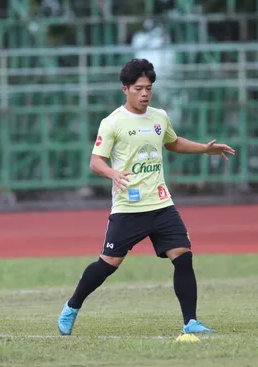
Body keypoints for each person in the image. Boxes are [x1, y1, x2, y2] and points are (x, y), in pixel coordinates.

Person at [57, 58, 235, 335]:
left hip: (161, 203)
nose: (144, 94)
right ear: (125, 89)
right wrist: (113, 174)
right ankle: (72, 306)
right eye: (139, 88)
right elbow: (95, 161)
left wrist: (204, 149)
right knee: (108, 264)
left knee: (183, 256)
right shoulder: (112, 122)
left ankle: (191, 322)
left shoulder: (159, 117)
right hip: (128, 207)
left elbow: (172, 142)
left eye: (148, 88)